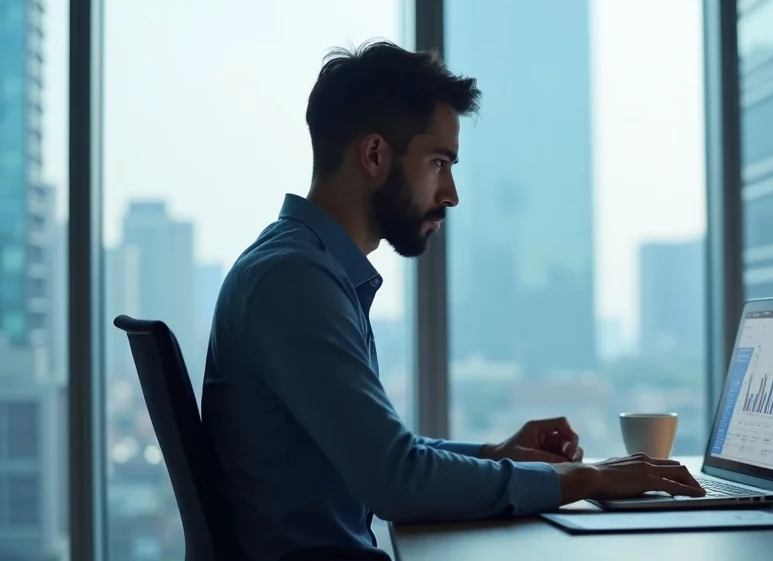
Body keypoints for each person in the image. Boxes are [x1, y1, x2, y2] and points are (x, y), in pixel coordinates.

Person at [202, 40, 705, 560]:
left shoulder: (305, 269)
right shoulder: (295, 281)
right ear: (374, 155)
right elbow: (397, 480)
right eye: (439, 162)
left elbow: (389, 456)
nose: (451, 194)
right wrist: (584, 478)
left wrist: (497, 455)